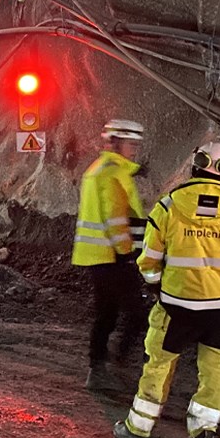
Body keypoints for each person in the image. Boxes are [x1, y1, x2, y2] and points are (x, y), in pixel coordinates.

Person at [113, 142, 220, 438]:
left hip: (177, 306)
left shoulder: (169, 207)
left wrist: (156, 288)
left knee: (158, 366)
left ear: (194, 165)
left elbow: (148, 261)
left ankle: (139, 429)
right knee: (214, 373)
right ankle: (202, 437)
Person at [72, 119, 149, 391]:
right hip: (112, 256)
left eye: (136, 145)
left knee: (107, 312)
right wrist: (128, 253)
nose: (135, 150)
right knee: (137, 314)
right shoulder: (113, 173)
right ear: (115, 142)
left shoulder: (100, 169)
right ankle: (114, 364)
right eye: (131, 144)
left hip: (98, 256)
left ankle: (99, 367)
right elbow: (115, 220)